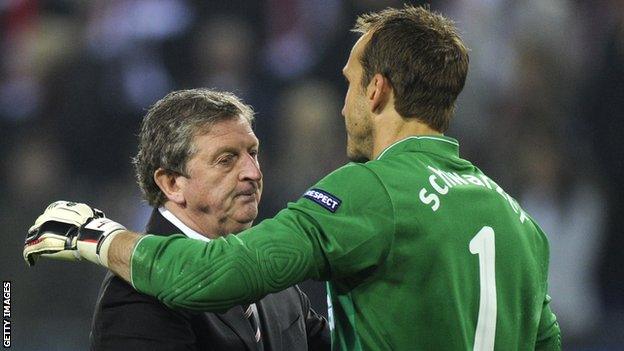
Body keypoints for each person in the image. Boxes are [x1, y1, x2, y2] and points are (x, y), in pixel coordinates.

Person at [24, 5, 561, 350]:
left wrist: (99, 237)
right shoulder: (519, 221)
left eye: (349, 82)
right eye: (227, 158)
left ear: (375, 91)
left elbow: (212, 276)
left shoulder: (368, 190)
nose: (343, 101)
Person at [91, 89, 329, 350]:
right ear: (172, 183)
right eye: (226, 160)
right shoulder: (138, 294)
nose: (253, 172)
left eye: (253, 153)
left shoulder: (273, 278)